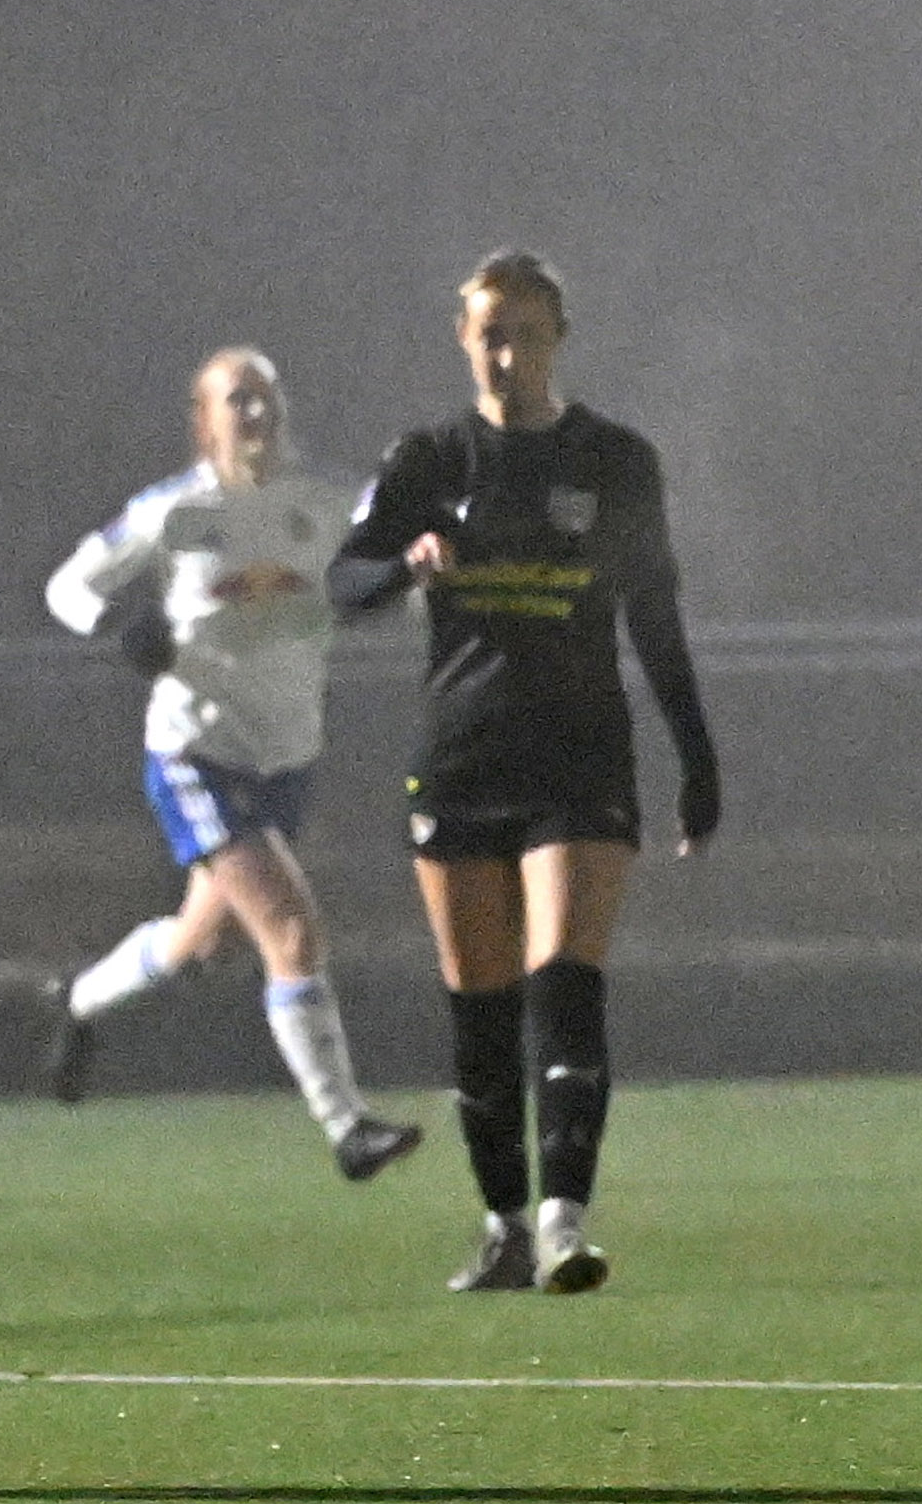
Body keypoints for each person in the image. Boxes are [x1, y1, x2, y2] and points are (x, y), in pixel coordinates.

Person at [328, 250, 718, 1295]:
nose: (508, 354)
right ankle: (503, 1221)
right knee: (482, 1008)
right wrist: (399, 563)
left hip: (580, 756)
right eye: (491, 333)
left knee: (566, 980)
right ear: (465, 337)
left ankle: (562, 1217)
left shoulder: (616, 462)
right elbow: (344, 576)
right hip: (461, 758)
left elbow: (656, 614)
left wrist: (697, 750)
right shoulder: (428, 459)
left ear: (558, 338)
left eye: (528, 334)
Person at [41, 347, 425, 1183]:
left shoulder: (326, 503)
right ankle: (346, 1126)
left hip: (285, 759)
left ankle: (77, 1000)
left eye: (266, 399)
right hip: (195, 755)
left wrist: (413, 571)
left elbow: (395, 564)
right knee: (293, 929)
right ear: (203, 419)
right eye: (236, 400)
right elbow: (68, 587)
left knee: (196, 945)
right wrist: (119, 629)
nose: (255, 414)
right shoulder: (173, 511)